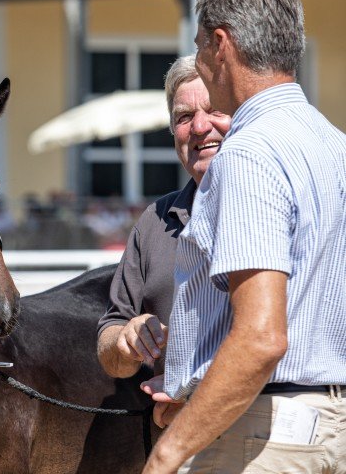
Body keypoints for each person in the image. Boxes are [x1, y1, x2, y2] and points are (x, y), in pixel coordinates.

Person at [141, 0, 346, 473]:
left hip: (264, 434)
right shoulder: (335, 144)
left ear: (220, 44)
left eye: (197, 47)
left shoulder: (248, 153)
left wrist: (166, 455)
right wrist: (198, 392)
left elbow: (261, 338)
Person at [96, 54, 231, 433]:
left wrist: (197, 392)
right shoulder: (154, 221)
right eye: (184, 117)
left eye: (215, 110)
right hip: (175, 438)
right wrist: (124, 343)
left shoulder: (272, 205)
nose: (200, 127)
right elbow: (110, 334)